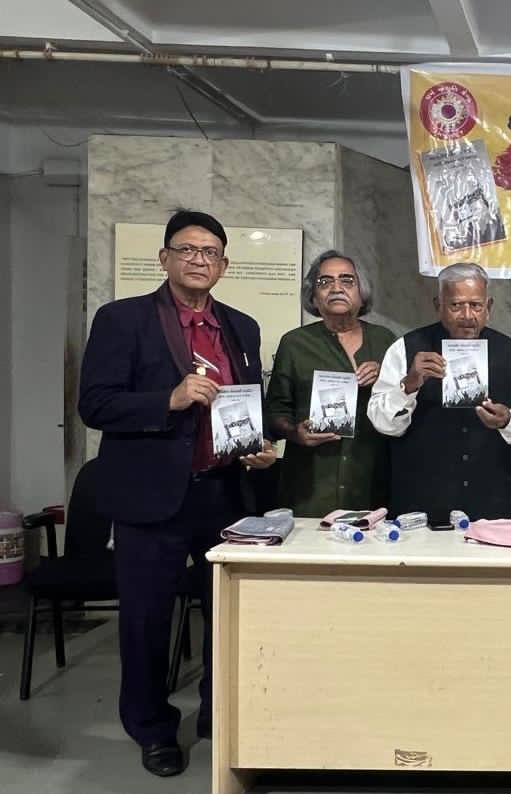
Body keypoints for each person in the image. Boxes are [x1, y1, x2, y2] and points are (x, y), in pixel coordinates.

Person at [78, 210, 277, 777]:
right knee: (147, 621)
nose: (198, 260)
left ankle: (219, 712)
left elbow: (247, 403)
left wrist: (257, 446)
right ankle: (152, 728)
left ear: (224, 265)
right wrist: (168, 398)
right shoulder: (122, 320)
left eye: (210, 252)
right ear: (164, 258)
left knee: (228, 616)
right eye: (187, 249)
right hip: (150, 497)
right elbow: (94, 404)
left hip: (224, 494)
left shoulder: (242, 326)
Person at [368, 262, 511, 520]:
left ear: (489, 307)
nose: (467, 315)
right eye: (456, 305)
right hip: (422, 502)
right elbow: (382, 424)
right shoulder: (405, 349)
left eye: (476, 305)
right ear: (438, 305)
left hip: (496, 502)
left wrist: (508, 420)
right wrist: (409, 385)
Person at [266, 251, 395, 516]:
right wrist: (295, 432)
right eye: (325, 282)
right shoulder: (294, 344)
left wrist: (387, 377)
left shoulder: (386, 340)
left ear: (362, 292)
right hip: (310, 486)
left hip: (372, 483)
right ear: (313, 295)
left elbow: (405, 406)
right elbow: (275, 411)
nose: (336, 288)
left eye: (347, 280)